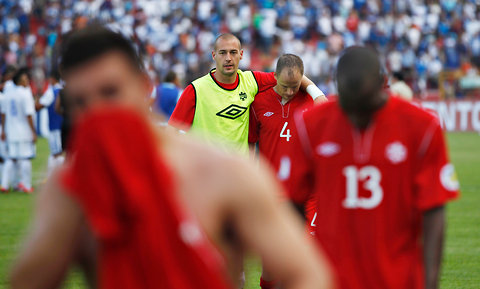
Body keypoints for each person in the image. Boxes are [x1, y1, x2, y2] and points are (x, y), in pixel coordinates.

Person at [10, 25, 334, 289]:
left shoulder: (227, 174)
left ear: (143, 88)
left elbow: (305, 272)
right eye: (80, 102)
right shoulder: (70, 189)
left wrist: (314, 91)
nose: (97, 111)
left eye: (110, 92)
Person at [284, 46, 459, 289]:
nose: (356, 115)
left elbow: (434, 211)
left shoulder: (423, 127)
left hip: (399, 279)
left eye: (365, 103)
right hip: (330, 278)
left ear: (382, 84)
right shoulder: (309, 126)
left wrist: (430, 283)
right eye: (348, 104)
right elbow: (291, 205)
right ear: (336, 86)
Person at [168, 33, 324, 156]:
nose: (228, 58)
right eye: (222, 53)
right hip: (208, 177)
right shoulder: (195, 90)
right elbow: (171, 134)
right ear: (213, 55)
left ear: (241, 54)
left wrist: (317, 95)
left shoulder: (251, 81)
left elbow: (290, 74)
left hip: (239, 177)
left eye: (233, 52)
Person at [249, 54, 324, 289]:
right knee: (271, 267)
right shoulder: (258, 102)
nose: (290, 92)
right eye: (284, 86)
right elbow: (251, 144)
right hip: (272, 195)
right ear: (273, 78)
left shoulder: (311, 101)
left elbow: (329, 108)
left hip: (308, 194)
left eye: (295, 86)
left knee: (302, 258)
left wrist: (310, 87)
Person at [0, 68, 36, 193]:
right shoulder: (25, 93)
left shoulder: (8, 93)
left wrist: (4, 130)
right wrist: (33, 131)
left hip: (10, 130)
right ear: (19, 80)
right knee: (25, 158)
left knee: (11, 158)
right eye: (25, 79)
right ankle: (26, 185)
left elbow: (3, 114)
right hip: (23, 131)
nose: (27, 81)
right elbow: (29, 114)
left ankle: (4, 184)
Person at [36, 70, 64, 176]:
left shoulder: (51, 91)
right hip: (64, 126)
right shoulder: (64, 90)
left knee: (57, 154)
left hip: (55, 126)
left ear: (52, 79)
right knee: (58, 153)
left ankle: (58, 179)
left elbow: (39, 106)